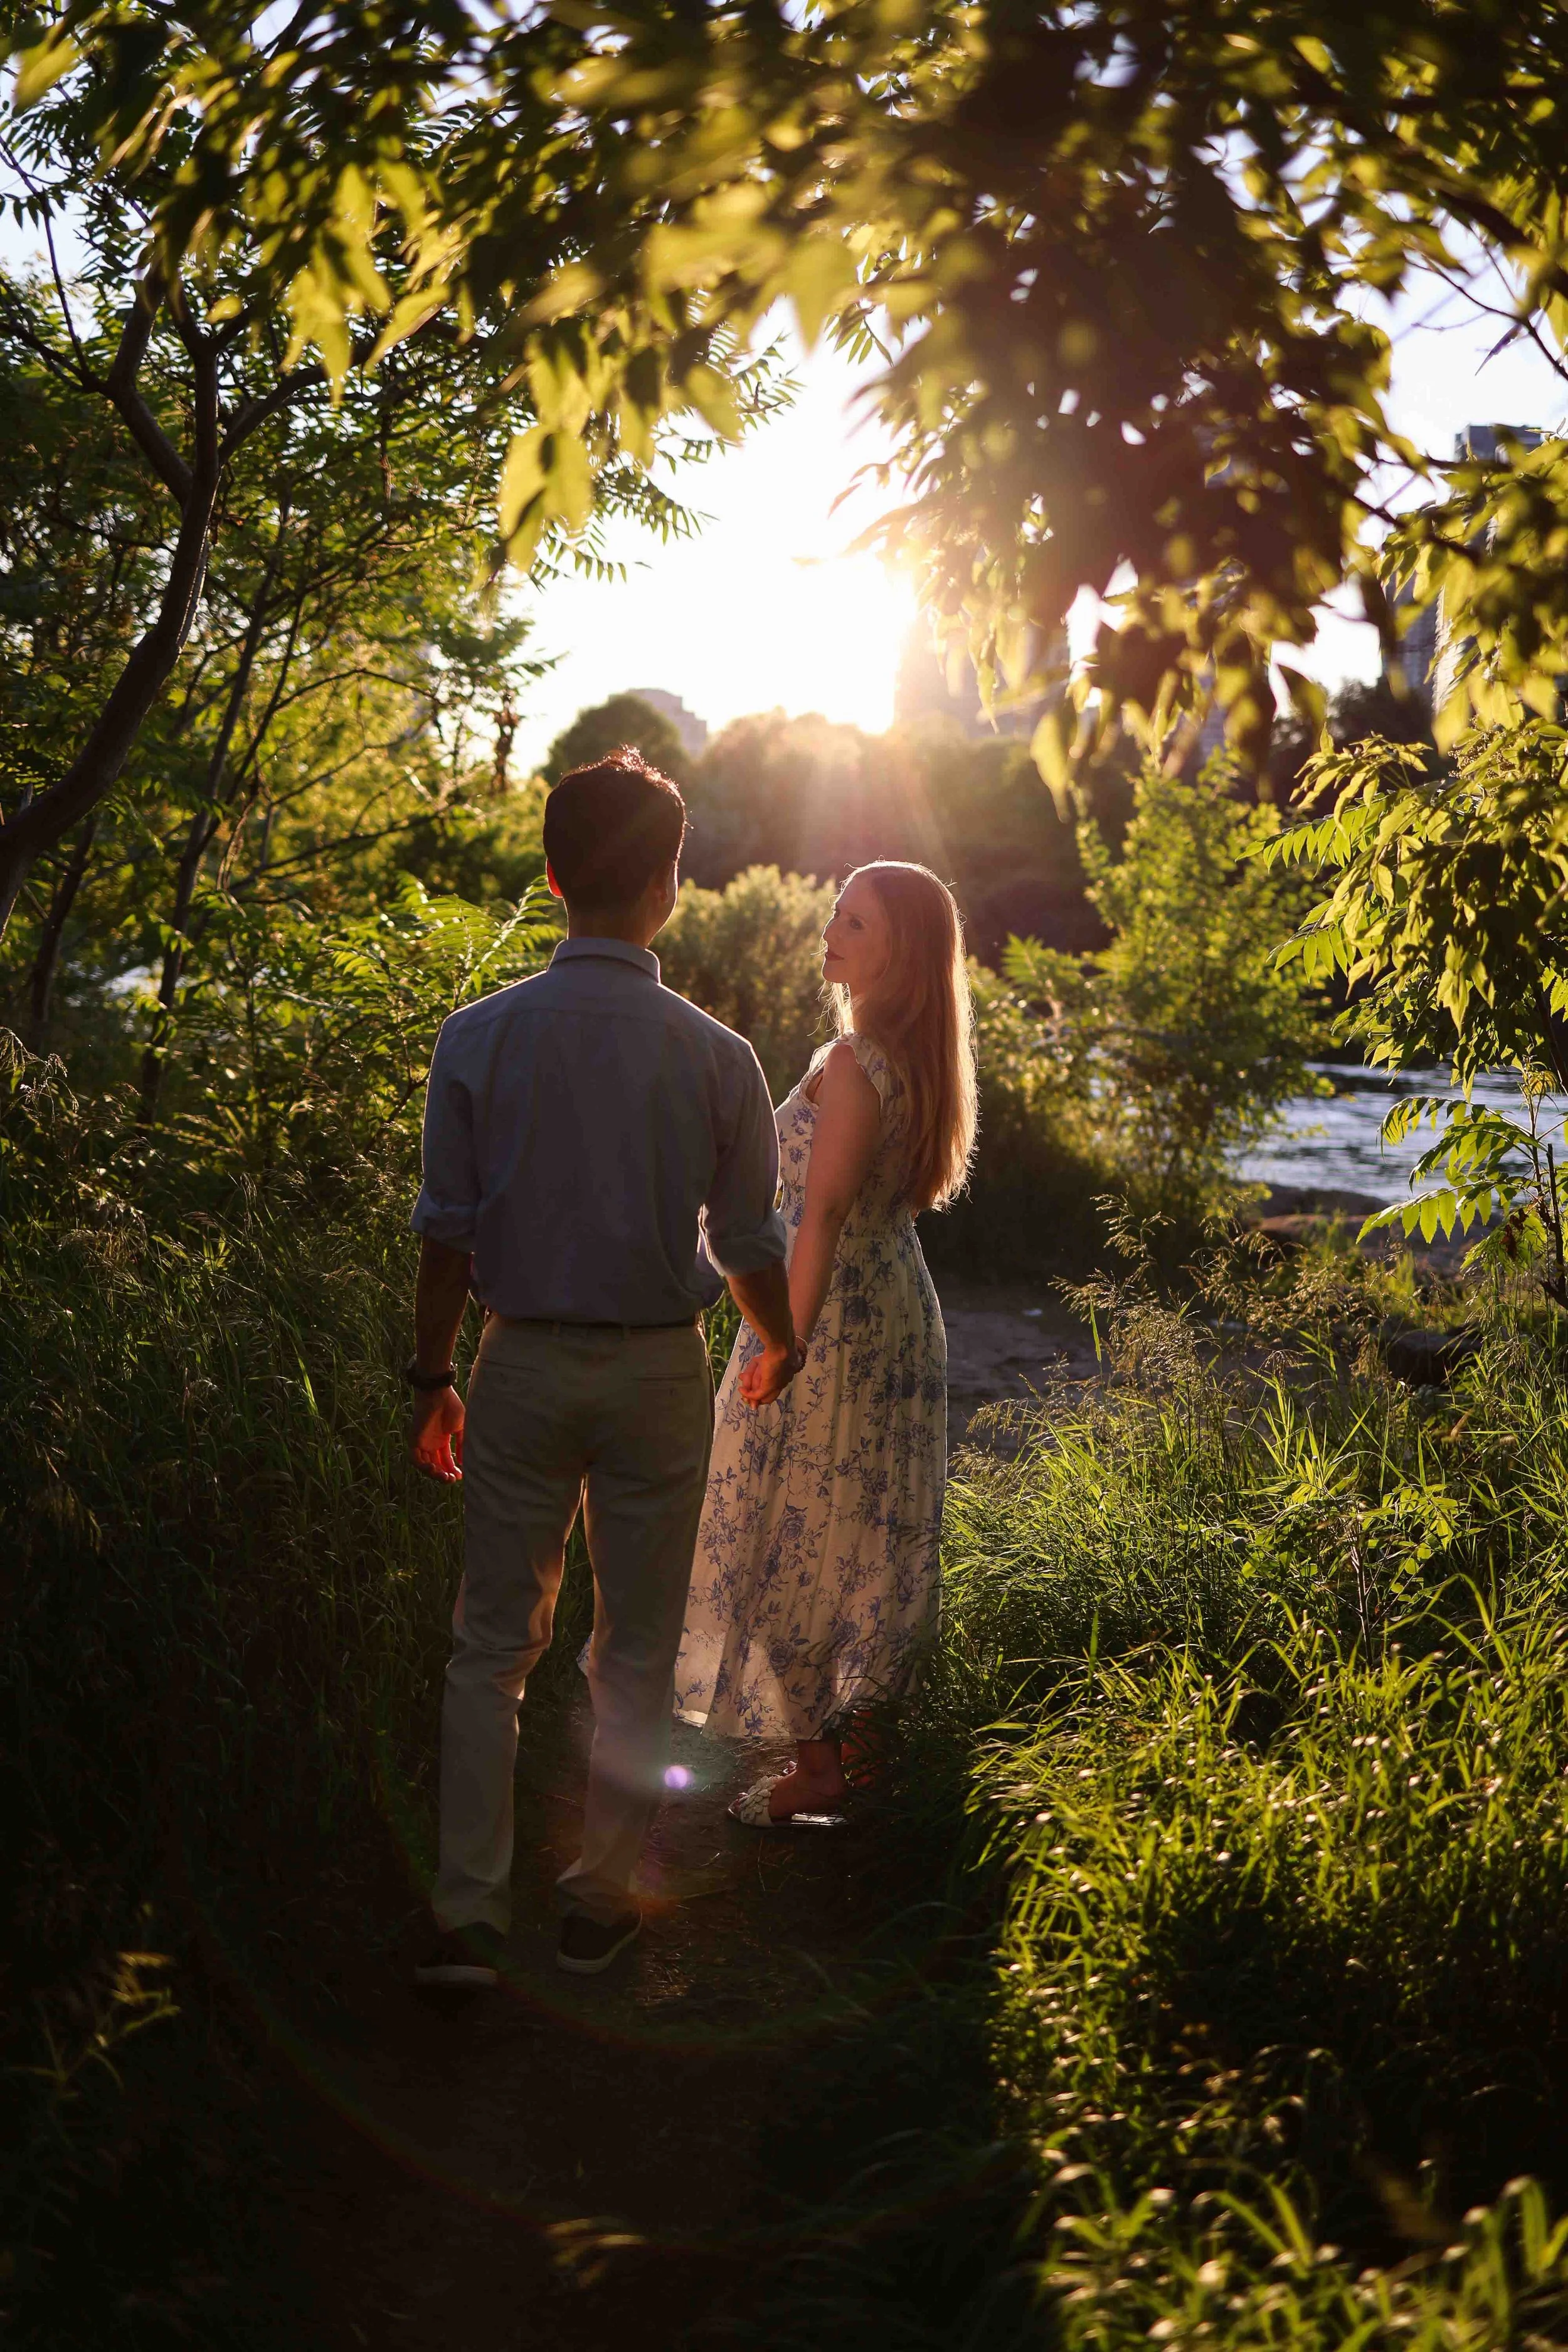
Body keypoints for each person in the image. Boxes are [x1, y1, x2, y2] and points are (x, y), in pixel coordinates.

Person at [405, 748, 801, 1986]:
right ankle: (596, 1895)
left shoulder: (478, 1036)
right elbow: (744, 1243)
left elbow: (447, 1231)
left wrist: (431, 1376)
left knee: (488, 1647)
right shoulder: (717, 1056)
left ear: (551, 873)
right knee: (632, 1650)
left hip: (514, 1362)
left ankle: (468, 1914)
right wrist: (778, 1337)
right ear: (670, 882)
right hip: (653, 1376)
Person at [675, 861, 977, 1823]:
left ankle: (819, 1767)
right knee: (860, 1532)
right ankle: (862, 1754)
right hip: (894, 1307)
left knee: (783, 1526)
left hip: (833, 1316)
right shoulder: (912, 1060)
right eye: (836, 913)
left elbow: (822, 1217)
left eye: (857, 922)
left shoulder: (855, 1065)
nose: (831, 931)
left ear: (903, 955)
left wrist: (783, 1339)